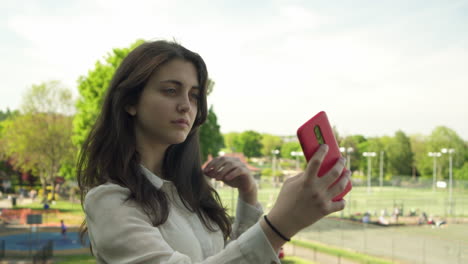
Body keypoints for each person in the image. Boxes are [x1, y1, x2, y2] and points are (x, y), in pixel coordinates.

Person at [77, 40, 350, 263]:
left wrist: (248, 197)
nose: (186, 105)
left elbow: (226, 258)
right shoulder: (109, 201)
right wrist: (280, 225)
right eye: (171, 90)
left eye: (194, 95)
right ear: (130, 102)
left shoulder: (189, 191)